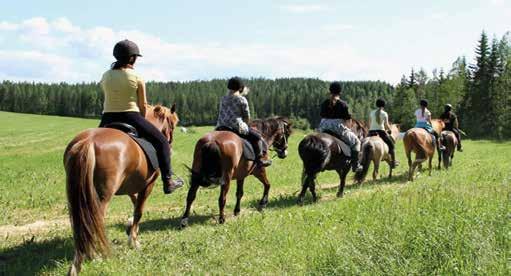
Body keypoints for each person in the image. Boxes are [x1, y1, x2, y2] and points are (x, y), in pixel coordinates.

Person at [98, 39, 183, 194]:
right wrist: (143, 120)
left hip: (107, 118)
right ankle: (168, 181)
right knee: (162, 142)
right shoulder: (136, 77)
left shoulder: (105, 76)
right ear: (132, 58)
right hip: (130, 116)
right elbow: (143, 105)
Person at [216, 77, 272, 167]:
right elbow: (247, 116)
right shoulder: (241, 99)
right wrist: (246, 124)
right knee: (257, 137)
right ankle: (259, 160)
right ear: (240, 88)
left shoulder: (223, 99)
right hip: (235, 127)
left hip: (220, 126)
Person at [318, 81, 363, 172]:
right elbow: (347, 119)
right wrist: (348, 129)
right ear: (340, 92)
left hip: (323, 126)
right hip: (337, 127)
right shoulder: (343, 104)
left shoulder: (325, 103)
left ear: (330, 91)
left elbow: (322, 115)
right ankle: (355, 165)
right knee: (356, 142)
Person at [368, 98, 398, 168]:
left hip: (371, 132)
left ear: (376, 104)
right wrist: (390, 130)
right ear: (383, 105)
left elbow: (369, 123)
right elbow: (386, 125)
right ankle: (393, 162)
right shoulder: (384, 113)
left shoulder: (372, 112)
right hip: (381, 132)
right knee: (392, 146)